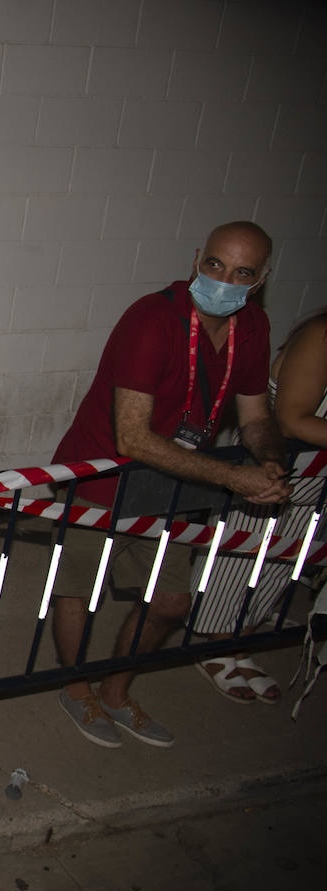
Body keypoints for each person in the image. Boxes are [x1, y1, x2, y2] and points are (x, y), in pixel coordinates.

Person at [49, 221, 291, 749]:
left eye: (242, 272)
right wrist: (234, 477)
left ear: (262, 278)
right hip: (104, 472)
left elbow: (254, 414)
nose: (224, 280)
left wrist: (271, 460)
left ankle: (115, 691)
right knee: (78, 589)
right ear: (196, 259)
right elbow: (132, 437)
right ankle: (75, 686)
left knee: (172, 603)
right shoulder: (152, 320)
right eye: (215, 266)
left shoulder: (254, 328)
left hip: (175, 478)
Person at [191, 310, 327, 704]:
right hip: (270, 462)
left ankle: (240, 644)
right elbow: (291, 421)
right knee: (236, 560)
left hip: (317, 480)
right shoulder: (320, 337)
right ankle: (213, 646)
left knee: (281, 565)